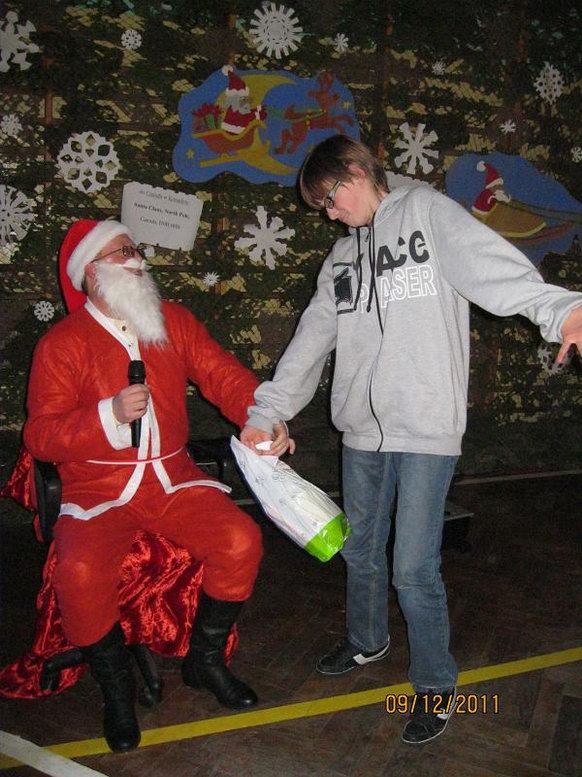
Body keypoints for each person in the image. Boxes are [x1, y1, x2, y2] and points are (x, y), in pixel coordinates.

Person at [240, 135, 582, 744]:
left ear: (356, 170)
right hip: (360, 432)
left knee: (414, 570)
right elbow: (311, 340)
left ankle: (435, 685)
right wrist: (269, 411)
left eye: (330, 198)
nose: (330, 214)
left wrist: (560, 310)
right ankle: (367, 640)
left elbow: (492, 266)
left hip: (426, 428)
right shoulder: (341, 260)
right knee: (361, 549)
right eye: (322, 207)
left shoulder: (427, 213)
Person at [23, 219, 277, 754]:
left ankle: (204, 662)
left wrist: (261, 417)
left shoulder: (172, 321)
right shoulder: (62, 343)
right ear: (91, 273)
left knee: (240, 540)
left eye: (135, 249)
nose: (136, 259)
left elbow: (221, 373)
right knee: (78, 572)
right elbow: (41, 436)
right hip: (98, 487)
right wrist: (107, 415)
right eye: (121, 253)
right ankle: (117, 691)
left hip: (171, 478)